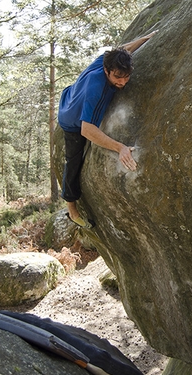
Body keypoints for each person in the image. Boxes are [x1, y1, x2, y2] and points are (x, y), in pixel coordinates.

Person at [58, 32, 155, 228]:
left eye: (126, 77)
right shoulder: (97, 87)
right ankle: (72, 210)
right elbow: (86, 130)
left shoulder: (108, 60)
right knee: (73, 160)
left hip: (71, 94)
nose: (123, 82)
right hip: (70, 120)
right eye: (118, 77)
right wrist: (120, 148)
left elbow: (124, 50)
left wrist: (144, 38)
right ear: (107, 71)